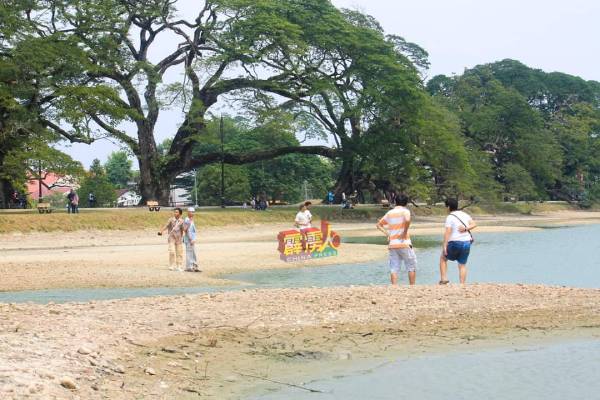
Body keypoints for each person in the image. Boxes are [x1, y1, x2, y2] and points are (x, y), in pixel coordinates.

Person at [376, 194, 417, 286]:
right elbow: (407, 220)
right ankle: (412, 286)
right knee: (411, 266)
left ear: (395, 202)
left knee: (394, 267)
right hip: (404, 243)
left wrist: (388, 234)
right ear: (406, 203)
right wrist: (404, 232)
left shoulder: (390, 213)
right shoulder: (405, 211)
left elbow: (378, 225)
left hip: (393, 244)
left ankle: (394, 287)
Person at [439, 198, 477, 285]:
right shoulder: (464, 214)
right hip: (466, 242)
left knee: (443, 258)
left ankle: (444, 279)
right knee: (462, 264)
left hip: (455, 242)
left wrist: (444, 245)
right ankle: (462, 284)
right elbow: (474, 224)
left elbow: (448, 232)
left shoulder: (450, 217)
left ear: (448, 207)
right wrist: (466, 229)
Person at [183, 207, 200, 272]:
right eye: (191, 212)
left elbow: (193, 231)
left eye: (193, 212)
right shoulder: (187, 220)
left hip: (192, 239)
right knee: (189, 253)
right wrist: (191, 239)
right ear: (188, 212)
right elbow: (187, 230)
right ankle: (189, 267)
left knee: (193, 253)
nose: (193, 213)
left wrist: (194, 238)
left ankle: (194, 266)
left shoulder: (191, 219)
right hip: (189, 239)